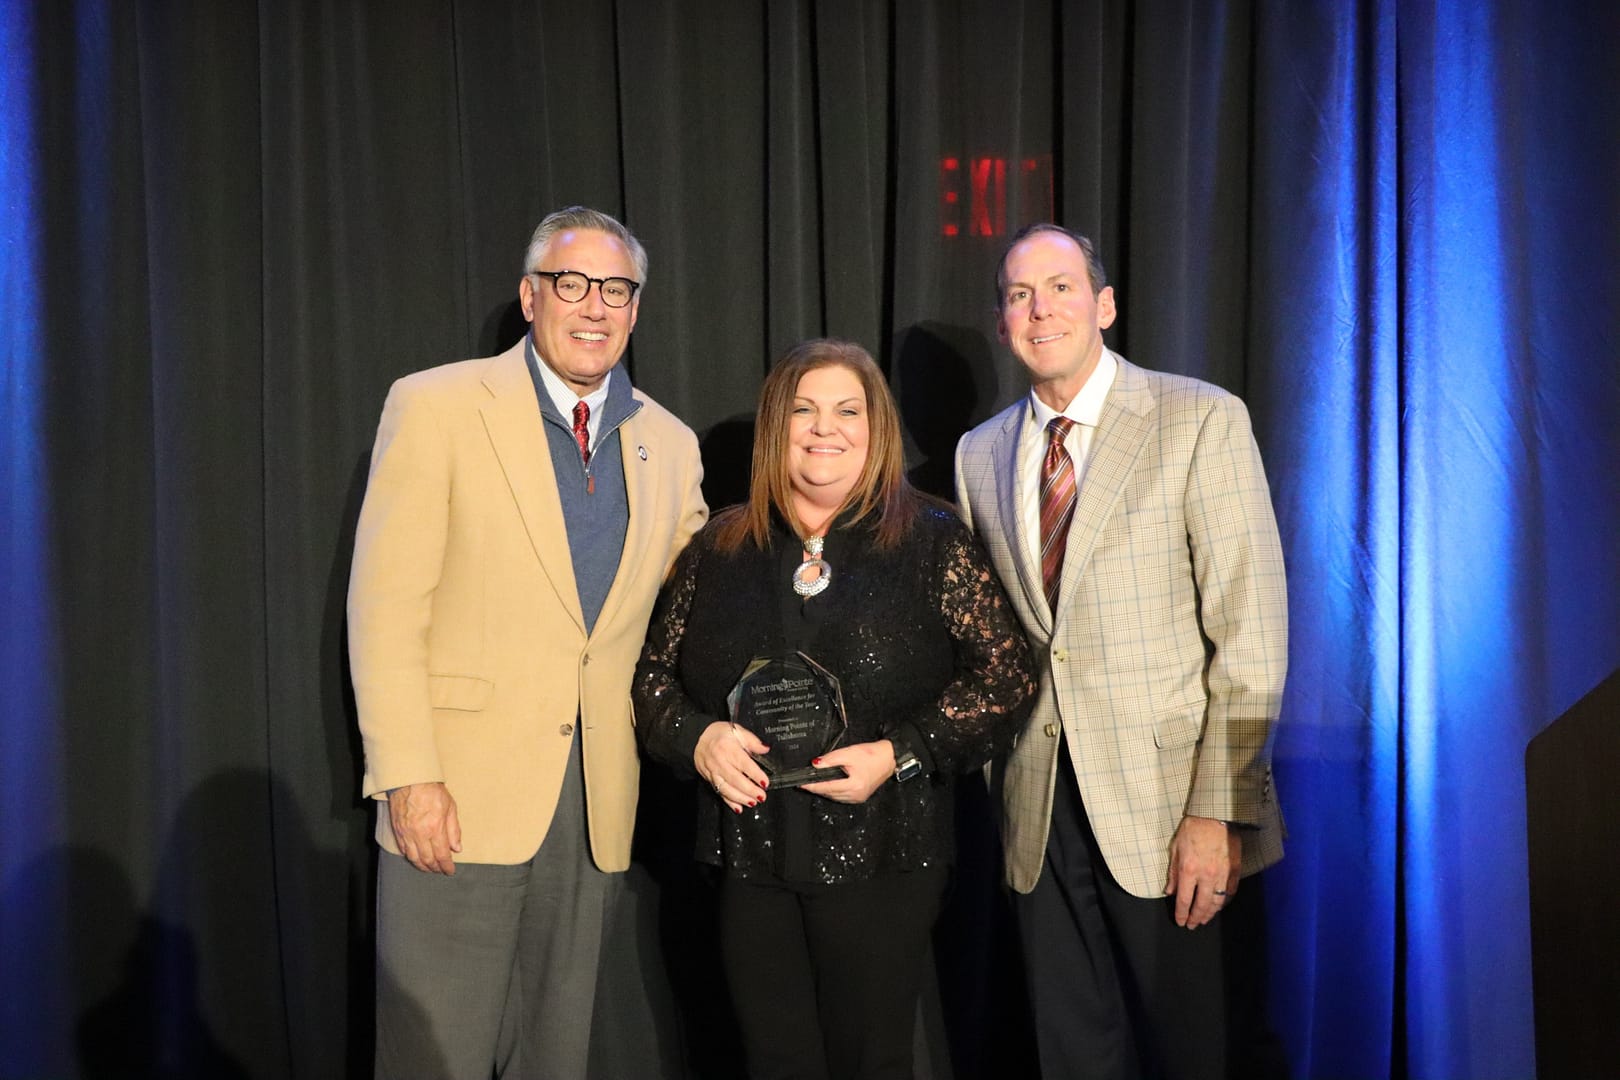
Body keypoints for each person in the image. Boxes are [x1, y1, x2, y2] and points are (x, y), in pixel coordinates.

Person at [347, 205, 707, 1078]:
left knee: (554, 1056)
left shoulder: (669, 442)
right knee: (437, 1056)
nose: (594, 307)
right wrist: (407, 774)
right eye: (572, 283)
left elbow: (700, 602)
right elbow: (386, 605)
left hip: (593, 802)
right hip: (456, 796)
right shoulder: (435, 404)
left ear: (635, 308)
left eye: (615, 289)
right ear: (529, 295)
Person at [633, 339, 1037, 1080]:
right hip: (749, 859)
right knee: (772, 1061)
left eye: (847, 410)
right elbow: (654, 679)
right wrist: (698, 742)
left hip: (885, 856)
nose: (826, 428)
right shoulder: (719, 549)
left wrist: (901, 752)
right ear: (774, 428)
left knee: (871, 1060)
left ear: (876, 427)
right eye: (804, 410)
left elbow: (1007, 677)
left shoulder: (933, 542)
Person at [954, 224, 1288, 1080]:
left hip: (1172, 809)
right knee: (1071, 1055)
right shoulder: (979, 454)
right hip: (1037, 807)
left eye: (1061, 287)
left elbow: (1251, 636)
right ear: (1002, 323)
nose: (1041, 308)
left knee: (1197, 1051)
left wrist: (1218, 813)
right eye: (1020, 294)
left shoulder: (1199, 417)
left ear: (1103, 304)